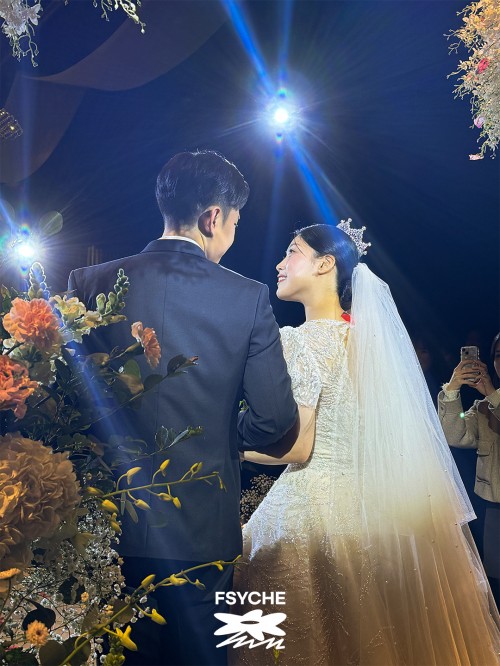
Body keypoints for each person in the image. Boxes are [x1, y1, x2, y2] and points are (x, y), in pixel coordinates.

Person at [68, 150, 298, 666]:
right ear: (213, 217)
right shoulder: (249, 297)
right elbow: (274, 420)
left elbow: (70, 403)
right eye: (235, 222)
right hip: (205, 532)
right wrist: (218, 431)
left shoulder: (88, 284)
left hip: (106, 529)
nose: (233, 234)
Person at [233, 222, 500, 665]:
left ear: (325, 264)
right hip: (377, 513)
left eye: (292, 251)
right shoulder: (371, 346)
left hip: (311, 511)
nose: (280, 264)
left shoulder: (299, 340)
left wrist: (227, 445)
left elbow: (298, 449)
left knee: (276, 633)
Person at [438, 332, 500, 606]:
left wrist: (493, 394)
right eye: (498, 355)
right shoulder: (484, 405)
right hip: (494, 507)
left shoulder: (491, 399)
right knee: (496, 582)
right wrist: (452, 390)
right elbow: (454, 436)